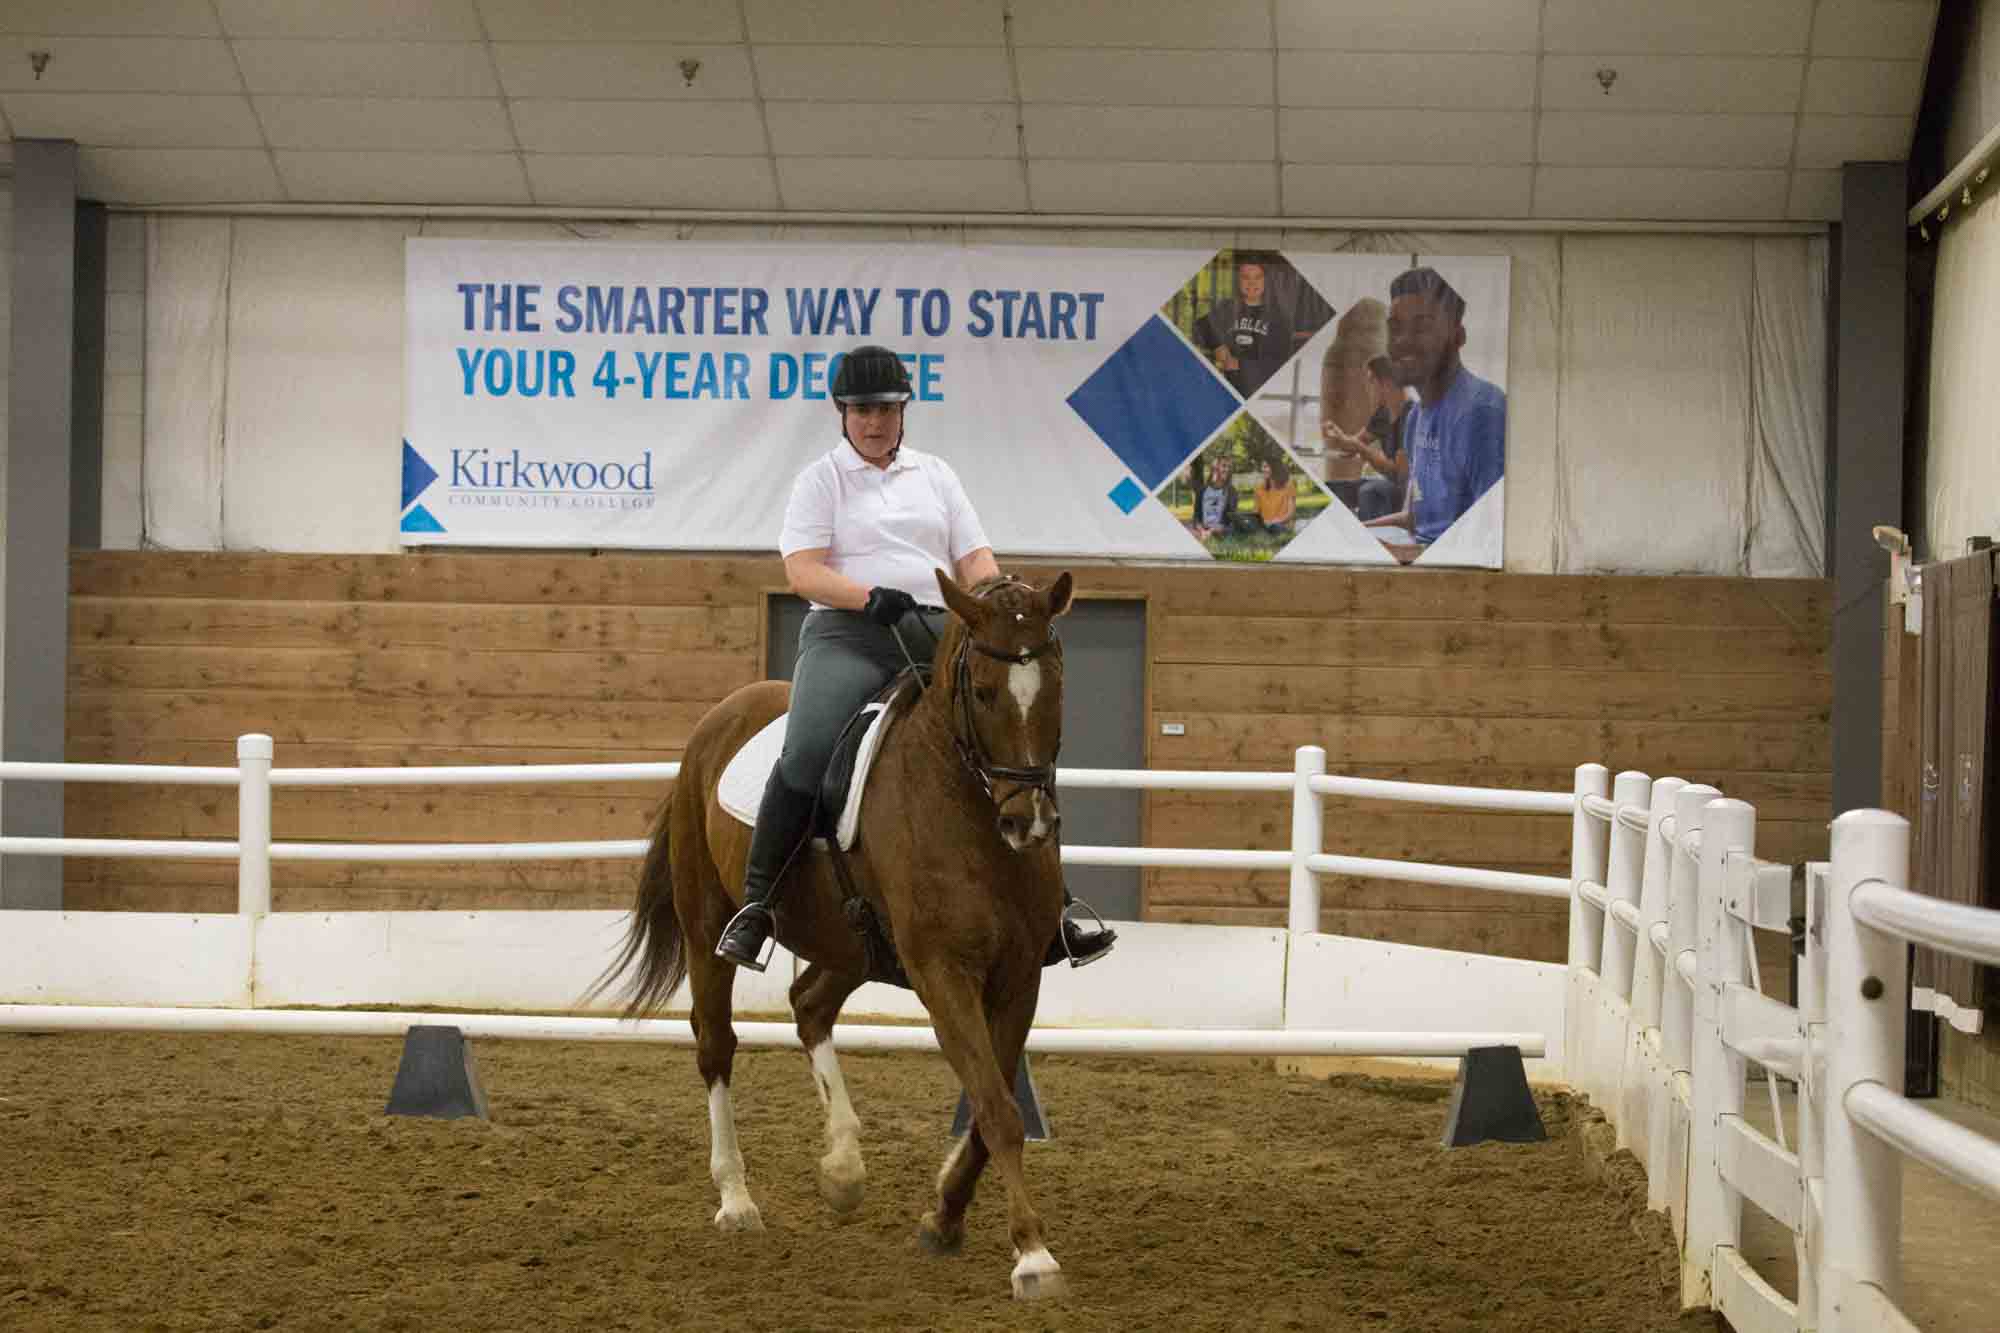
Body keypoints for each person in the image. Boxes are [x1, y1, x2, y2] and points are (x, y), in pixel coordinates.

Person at [715, 345, 1117, 972]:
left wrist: (996, 596)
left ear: (903, 411)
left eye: (885, 409)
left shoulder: (936, 476)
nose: (874, 422)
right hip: (848, 633)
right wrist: (867, 596)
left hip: (936, 628)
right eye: (861, 410)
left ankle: (1054, 907)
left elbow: (973, 558)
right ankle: (758, 904)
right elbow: (802, 572)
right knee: (808, 750)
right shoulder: (821, 480)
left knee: (1012, 733)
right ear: (843, 413)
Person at [1365, 267, 1505, 549]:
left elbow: (1490, 542)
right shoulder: (1415, 417)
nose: (1403, 340)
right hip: (1420, 555)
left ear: (1458, 337)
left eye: (1422, 327)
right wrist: (1353, 533)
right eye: (1395, 328)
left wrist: (1401, 555)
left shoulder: (1482, 413)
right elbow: (1413, 520)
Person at [1193, 254, 1295, 397]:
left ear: (1265, 281)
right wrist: (1217, 345)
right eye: (1245, 277)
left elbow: (1280, 361)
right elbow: (1200, 326)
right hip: (1225, 388)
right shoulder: (1228, 308)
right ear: (1238, 280)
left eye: (1257, 277)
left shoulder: (1277, 317)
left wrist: (1241, 364)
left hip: (1259, 391)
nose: (1251, 283)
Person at [1324, 356, 1410, 521]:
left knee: (1370, 491)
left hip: (1408, 490)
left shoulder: (1410, 416)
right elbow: (1353, 445)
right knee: (1331, 489)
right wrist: (1337, 434)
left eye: (1371, 381)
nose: (1367, 388)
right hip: (1388, 483)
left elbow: (1398, 473)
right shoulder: (1383, 414)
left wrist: (1361, 449)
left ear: (1386, 383)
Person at [1253, 458, 1296, 534]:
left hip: (1282, 524)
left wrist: (1276, 521)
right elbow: (1256, 512)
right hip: (1265, 525)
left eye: (1266, 466)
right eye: (1262, 467)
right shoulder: (1259, 489)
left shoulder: (1289, 486)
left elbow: (1290, 513)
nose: (1263, 469)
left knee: (1276, 527)